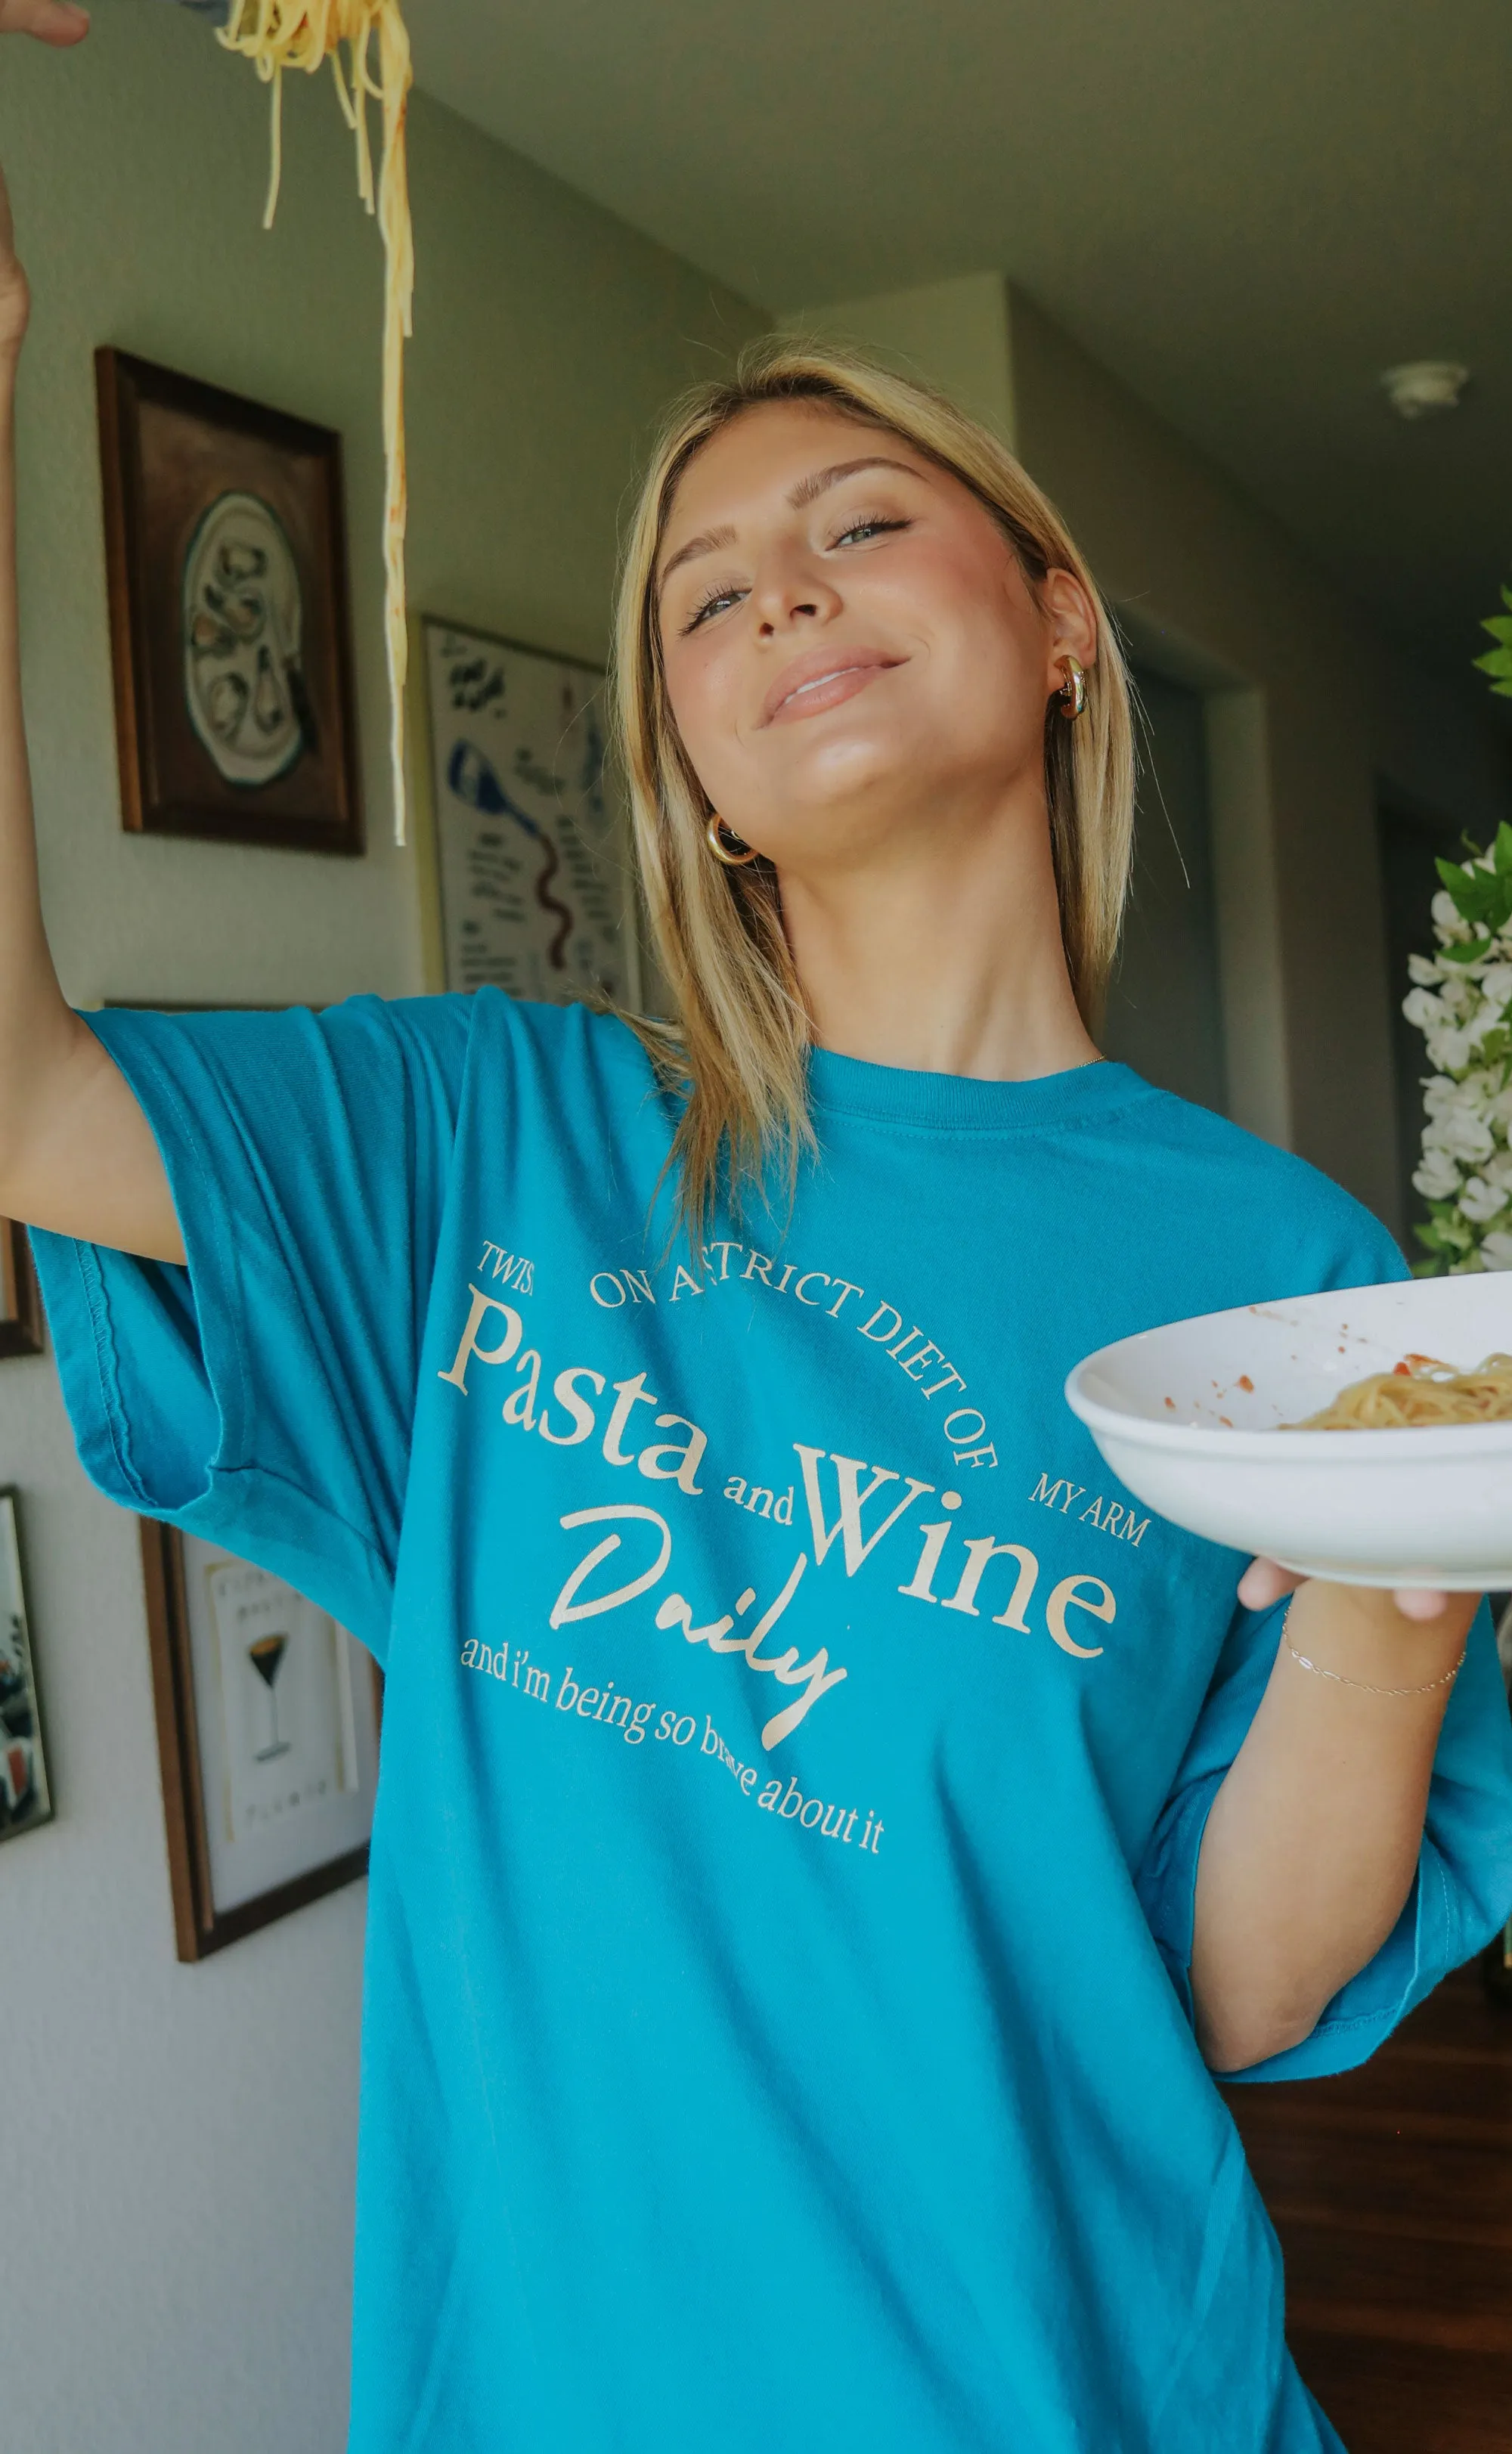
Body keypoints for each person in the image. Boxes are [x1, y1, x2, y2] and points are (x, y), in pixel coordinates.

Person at [5, 9, 1512, 2449]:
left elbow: (1229, 1989)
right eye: (701, 598)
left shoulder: (1299, 1295)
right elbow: (21, 1092)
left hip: (1083, 2390)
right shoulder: (498, 1141)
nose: (778, 595)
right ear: (692, 776)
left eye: (857, 523)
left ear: (1055, 628)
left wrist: (1409, 1576)